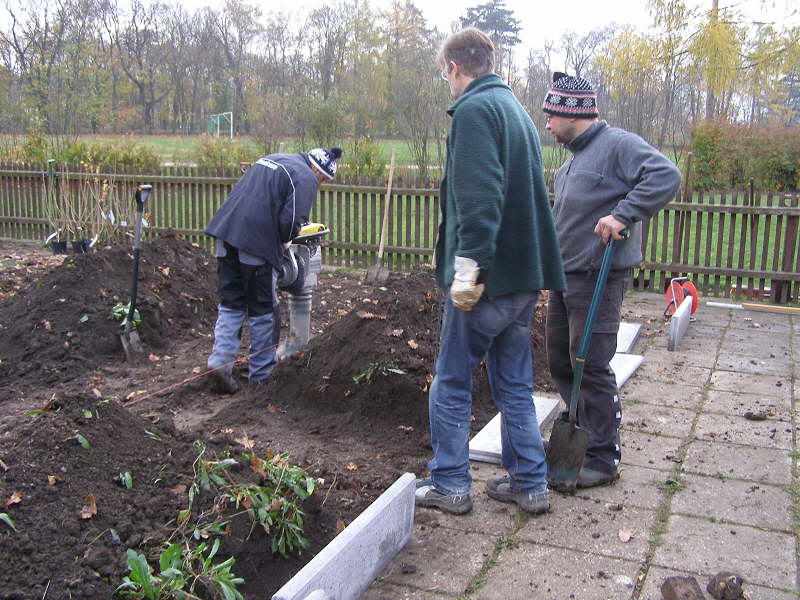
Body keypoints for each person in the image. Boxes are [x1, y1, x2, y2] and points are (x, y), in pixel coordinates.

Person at [414, 28, 566, 516]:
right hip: (523, 280)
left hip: (488, 281)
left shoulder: (475, 111)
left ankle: (451, 484)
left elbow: (480, 203)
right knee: (515, 385)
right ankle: (530, 482)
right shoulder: (516, 110)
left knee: (452, 381)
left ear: (455, 68)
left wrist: (466, 275)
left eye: (445, 74)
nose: (447, 83)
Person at [542, 72, 681, 487]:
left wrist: (623, 214)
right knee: (562, 362)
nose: (547, 123)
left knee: (592, 365)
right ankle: (580, 441)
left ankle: (603, 459)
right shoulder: (569, 166)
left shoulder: (617, 145)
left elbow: (665, 175)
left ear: (572, 113)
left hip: (598, 276)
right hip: (566, 278)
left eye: (551, 114)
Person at [204, 146, 342, 393]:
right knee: (263, 308)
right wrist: (286, 243)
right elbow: (290, 223)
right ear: (317, 169)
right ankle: (261, 376)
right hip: (255, 244)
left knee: (231, 302)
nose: (319, 184)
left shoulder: (273, 159)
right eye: (323, 179)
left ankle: (219, 363)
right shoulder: (305, 177)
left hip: (225, 233)